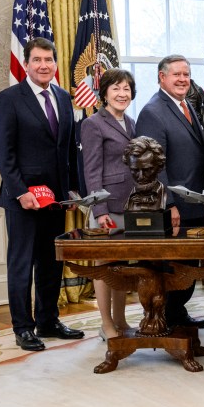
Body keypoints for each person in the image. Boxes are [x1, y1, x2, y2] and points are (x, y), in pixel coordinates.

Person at [0, 37, 84, 351]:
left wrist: (73, 190)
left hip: (55, 200)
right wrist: (20, 193)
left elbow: (69, 149)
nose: (43, 65)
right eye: (37, 60)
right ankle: (23, 328)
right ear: (26, 64)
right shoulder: (9, 99)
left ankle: (48, 321)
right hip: (24, 201)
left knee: (50, 262)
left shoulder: (63, 97)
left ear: (55, 64)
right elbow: (4, 154)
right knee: (22, 264)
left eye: (48, 60)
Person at [134, 54, 204, 330]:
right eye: (176, 74)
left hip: (193, 204)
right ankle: (165, 322)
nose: (182, 79)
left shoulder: (186, 105)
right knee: (172, 269)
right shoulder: (153, 112)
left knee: (185, 268)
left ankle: (178, 316)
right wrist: (169, 205)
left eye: (186, 74)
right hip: (174, 208)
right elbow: (153, 166)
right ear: (161, 77)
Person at [78, 68, 137, 340]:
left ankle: (121, 320)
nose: (122, 93)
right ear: (104, 94)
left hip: (130, 206)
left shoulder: (132, 123)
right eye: (116, 88)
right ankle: (106, 324)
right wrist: (99, 210)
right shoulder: (93, 123)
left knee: (121, 266)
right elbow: (92, 170)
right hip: (107, 208)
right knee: (104, 266)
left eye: (126, 89)